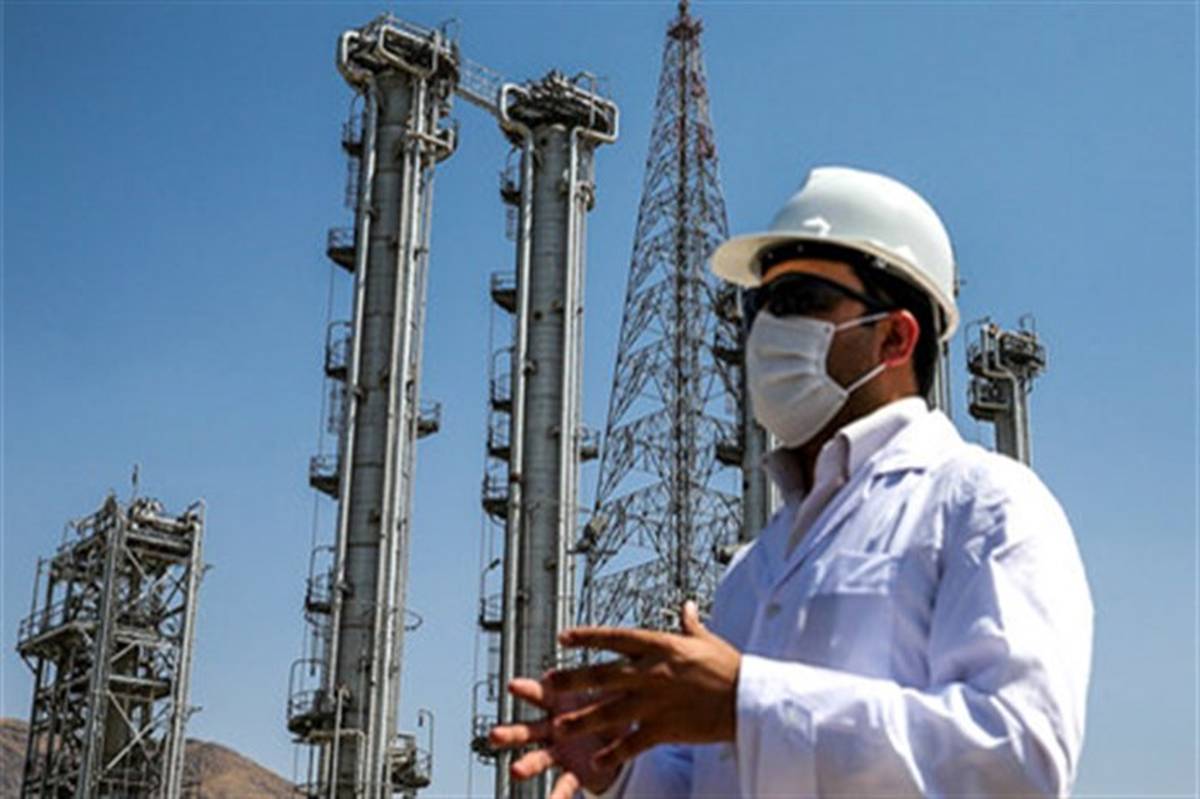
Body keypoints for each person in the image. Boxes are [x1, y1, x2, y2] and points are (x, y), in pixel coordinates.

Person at [490, 165, 1094, 798]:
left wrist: (746, 700)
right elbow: (719, 780)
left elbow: (1017, 760)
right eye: (757, 306)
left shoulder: (982, 504)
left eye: (800, 299)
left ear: (894, 336)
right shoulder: (755, 568)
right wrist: (622, 767)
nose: (766, 329)